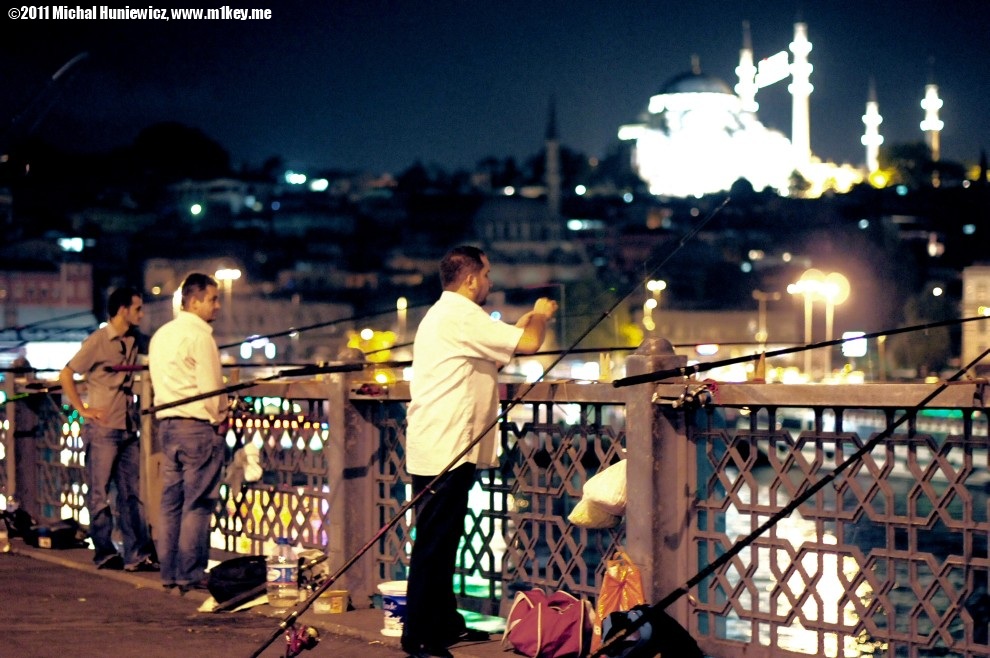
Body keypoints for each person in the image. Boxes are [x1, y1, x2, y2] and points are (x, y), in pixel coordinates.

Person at [401, 245, 558, 658]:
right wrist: (541, 314)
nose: (489, 282)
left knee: (444, 540)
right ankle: (418, 635)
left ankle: (444, 622)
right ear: (471, 279)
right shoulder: (461, 315)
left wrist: (526, 322)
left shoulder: (449, 315)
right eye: (486, 275)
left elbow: (508, 342)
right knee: (433, 545)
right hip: (447, 445)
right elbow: (529, 342)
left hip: (443, 443)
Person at [59, 286, 158, 572]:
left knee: (131, 494)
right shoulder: (98, 341)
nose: (142, 314)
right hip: (103, 429)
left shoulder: (133, 340)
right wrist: (82, 409)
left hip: (127, 427)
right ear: (123, 310)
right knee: (99, 493)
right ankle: (104, 552)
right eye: (137, 308)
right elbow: (67, 373)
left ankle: (136, 555)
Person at [147, 273, 227, 594]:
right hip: (196, 428)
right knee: (197, 503)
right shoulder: (200, 337)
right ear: (194, 301)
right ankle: (190, 574)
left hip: (167, 427)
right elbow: (210, 389)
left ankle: (168, 573)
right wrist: (220, 418)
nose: (217, 306)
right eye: (213, 299)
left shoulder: (161, 335)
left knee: (170, 503)